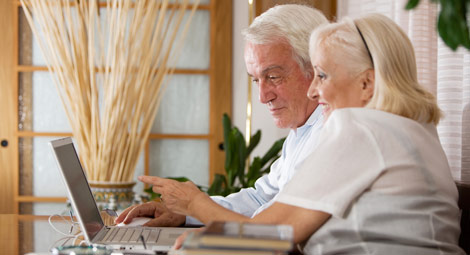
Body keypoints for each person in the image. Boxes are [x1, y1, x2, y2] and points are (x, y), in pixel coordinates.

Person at [139, 13, 465, 254]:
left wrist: (195, 205)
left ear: (367, 84)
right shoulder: (411, 125)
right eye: (256, 80)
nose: (313, 91)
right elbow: (266, 206)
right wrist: (189, 215)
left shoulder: (361, 127)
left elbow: (267, 235)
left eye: (322, 75)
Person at [115, 4, 329, 227]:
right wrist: (184, 213)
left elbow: (273, 232)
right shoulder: (303, 131)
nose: (262, 97)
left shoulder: (330, 133)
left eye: (273, 77)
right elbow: (259, 199)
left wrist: (195, 205)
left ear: (315, 67)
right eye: (256, 80)